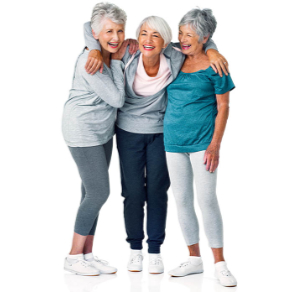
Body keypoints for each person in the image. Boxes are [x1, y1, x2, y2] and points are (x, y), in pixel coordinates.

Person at [83, 13, 228, 274]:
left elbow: (196, 40)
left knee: (158, 193)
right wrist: (93, 48)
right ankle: (136, 249)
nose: (149, 40)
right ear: (136, 38)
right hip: (128, 132)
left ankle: (155, 251)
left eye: (156, 35)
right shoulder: (127, 54)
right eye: (144, 34)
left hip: (163, 134)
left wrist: (214, 51)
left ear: (165, 42)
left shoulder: (175, 56)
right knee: (133, 193)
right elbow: (90, 28)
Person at [62, 2, 137, 276]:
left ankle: (87, 254)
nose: (116, 37)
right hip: (83, 131)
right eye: (108, 32)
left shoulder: (101, 49)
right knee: (98, 193)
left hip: (102, 131)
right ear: (96, 33)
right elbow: (117, 99)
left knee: (88, 192)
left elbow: (87, 26)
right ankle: (73, 256)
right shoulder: (90, 60)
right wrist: (117, 62)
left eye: (119, 31)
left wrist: (105, 49)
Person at [164, 8, 237, 287]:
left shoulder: (216, 65)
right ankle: (194, 259)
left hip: (203, 144)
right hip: (172, 142)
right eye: (181, 33)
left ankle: (220, 263)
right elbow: (154, 41)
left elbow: (224, 106)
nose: (183, 39)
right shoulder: (174, 56)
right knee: (181, 199)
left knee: (206, 199)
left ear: (205, 37)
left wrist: (215, 145)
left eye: (189, 35)